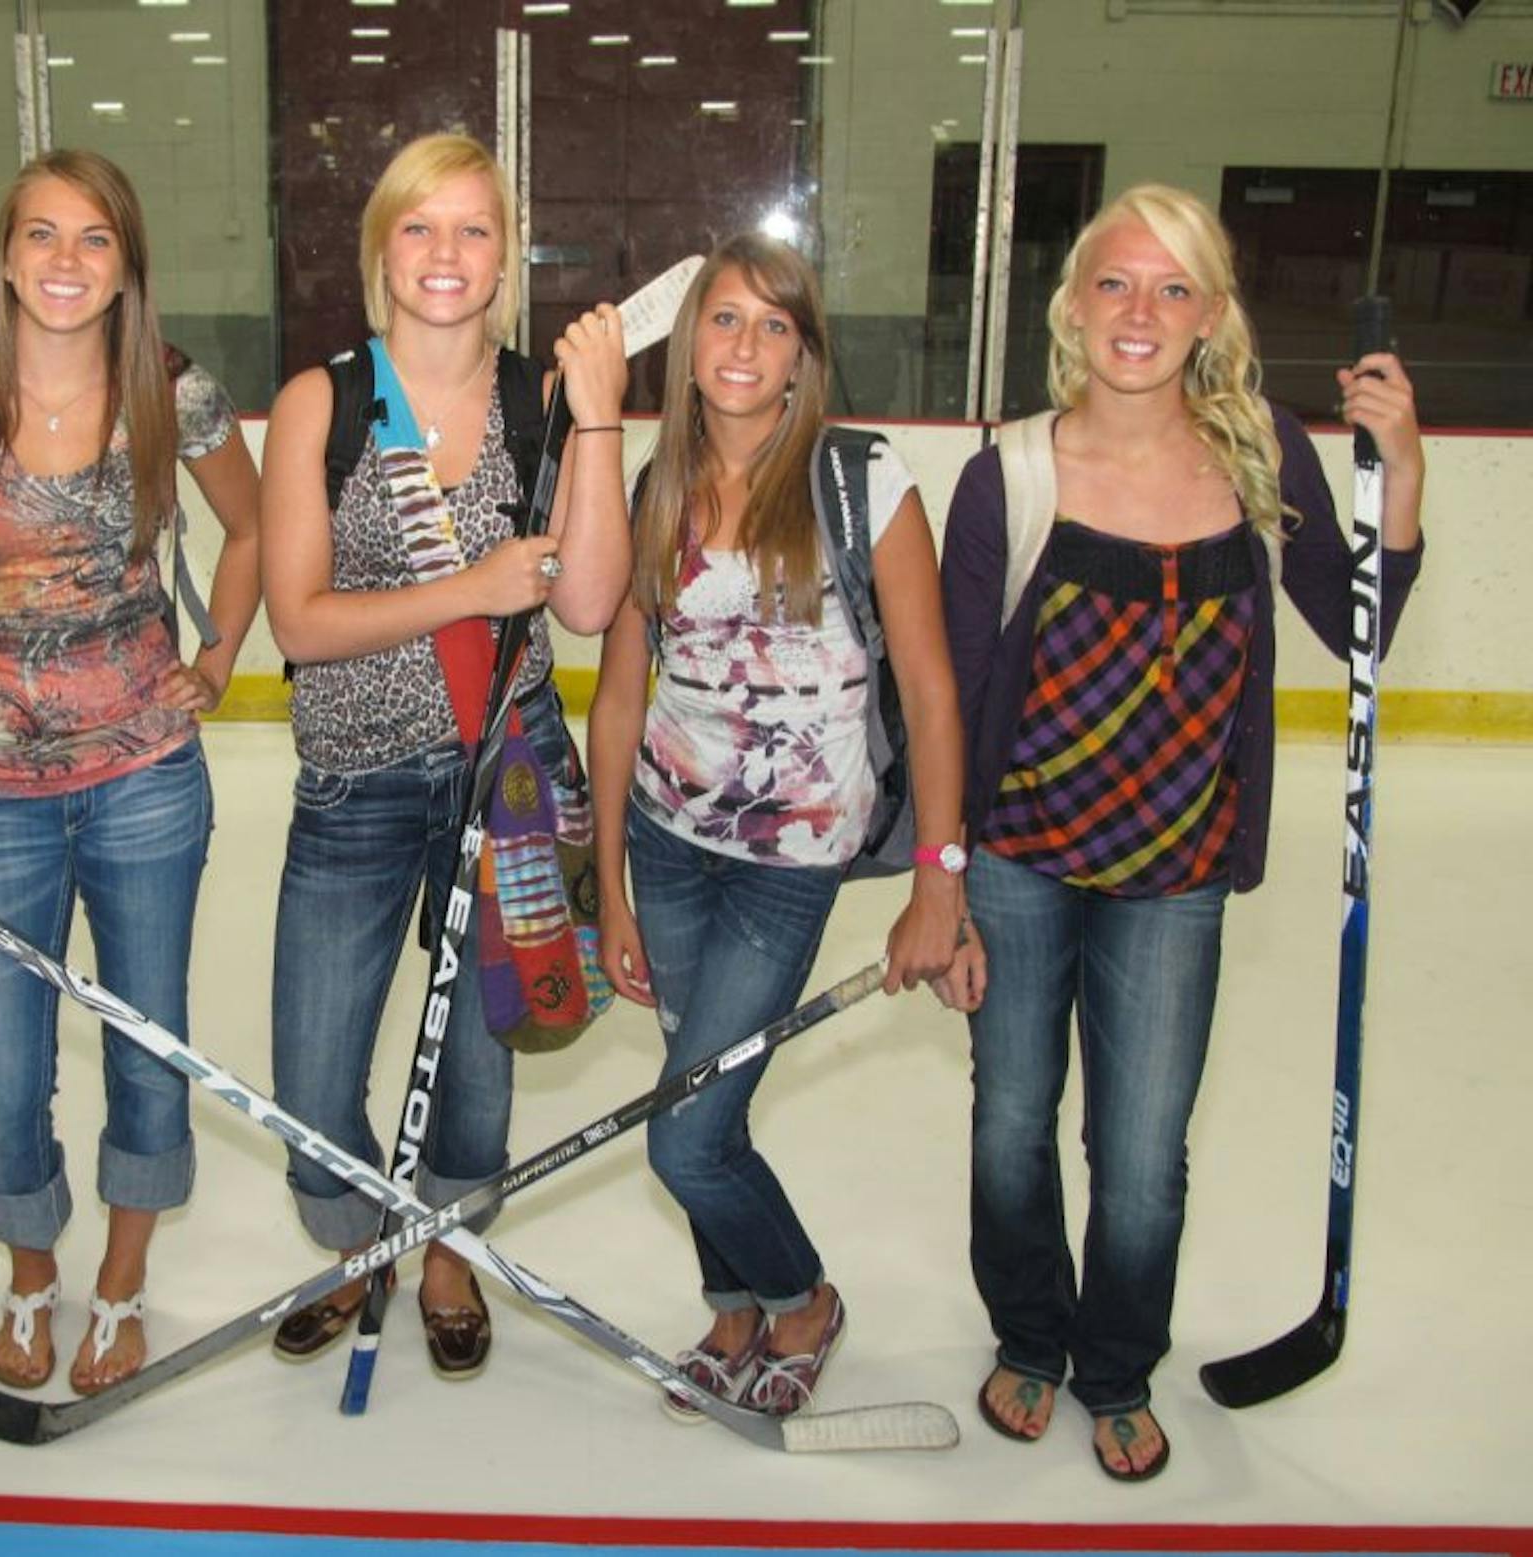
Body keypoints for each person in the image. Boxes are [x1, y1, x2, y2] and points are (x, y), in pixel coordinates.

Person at [936, 184, 1426, 1480]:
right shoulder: (1013, 473)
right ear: (1072, 303)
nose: (1138, 313)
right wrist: (941, 877)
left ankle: (1116, 1366)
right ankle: (1031, 1338)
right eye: (1114, 283)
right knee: (1011, 1120)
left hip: (1176, 876)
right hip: (1020, 862)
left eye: (1171, 288)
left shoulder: (1262, 450)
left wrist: (1408, 482)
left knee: (1143, 1158)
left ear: (1210, 312)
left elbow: (1357, 629)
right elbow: (949, 697)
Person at [0, 150, 259, 1397]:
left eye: (95, 240)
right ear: (3, 257)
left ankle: (123, 1285)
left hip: (147, 775)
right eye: (42, 235)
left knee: (148, 1044)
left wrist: (221, 652)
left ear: (128, 266)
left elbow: (252, 528)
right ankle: (34, 1277)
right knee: (0, 1072)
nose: (66, 263)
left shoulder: (172, 394)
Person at [257, 132, 628, 1379]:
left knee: (478, 1063)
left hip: (503, 774)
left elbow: (583, 607)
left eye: (473, 229)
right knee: (312, 1083)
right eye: (419, 227)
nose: (445, 254)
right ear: (381, 251)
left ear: (507, 256)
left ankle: (448, 1251)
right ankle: (364, 1237)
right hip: (355, 784)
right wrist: (469, 585)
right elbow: (300, 620)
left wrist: (600, 422)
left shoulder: (540, 401)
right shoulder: (326, 402)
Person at [585, 235, 966, 1421]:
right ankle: (734, 1312)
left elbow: (935, 689)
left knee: (687, 1136)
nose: (745, 346)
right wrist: (607, 886)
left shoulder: (863, 484)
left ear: (804, 355)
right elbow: (614, 698)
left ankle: (803, 1302)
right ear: (688, 345)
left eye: (774, 325)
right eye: (724, 320)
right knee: (702, 1095)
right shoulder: (654, 492)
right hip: (668, 840)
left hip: (790, 867)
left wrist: (941, 882)